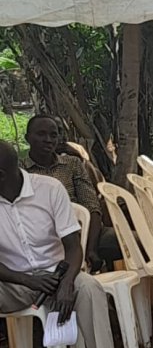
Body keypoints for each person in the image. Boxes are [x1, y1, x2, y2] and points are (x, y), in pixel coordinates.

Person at [0, 141, 140, 348]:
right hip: (15, 281)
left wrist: (65, 285)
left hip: (60, 273)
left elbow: (74, 246)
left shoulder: (48, 189)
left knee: (89, 290)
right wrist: (26, 280)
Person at [24, 115, 105, 271]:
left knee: (125, 242)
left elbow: (92, 206)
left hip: (83, 231)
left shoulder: (72, 164)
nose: (48, 139)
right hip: (43, 239)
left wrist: (91, 248)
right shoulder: (20, 171)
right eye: (41, 134)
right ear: (28, 138)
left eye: (53, 135)